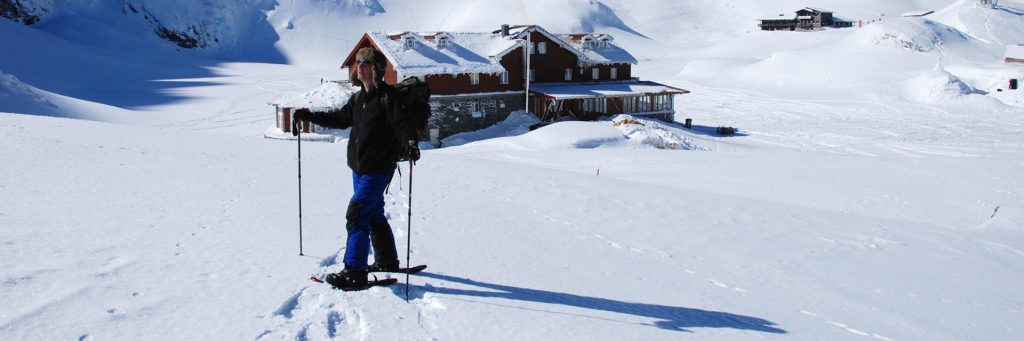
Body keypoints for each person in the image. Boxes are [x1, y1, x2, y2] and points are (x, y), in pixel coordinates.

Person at [291, 47, 421, 289]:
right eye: (358, 63)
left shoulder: (388, 98)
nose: (359, 66)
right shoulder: (358, 98)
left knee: (357, 213)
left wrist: (411, 143)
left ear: (376, 69)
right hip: (359, 169)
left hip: (378, 169)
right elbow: (339, 120)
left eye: (364, 63)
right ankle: (386, 259)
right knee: (373, 214)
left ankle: (354, 271)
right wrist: (308, 115)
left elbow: (403, 124)